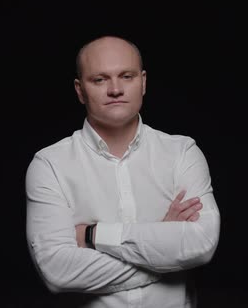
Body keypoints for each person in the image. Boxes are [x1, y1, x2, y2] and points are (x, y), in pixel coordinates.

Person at [25, 35, 221, 307]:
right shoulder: (50, 165)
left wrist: (93, 236)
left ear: (143, 82)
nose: (115, 89)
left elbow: (201, 244)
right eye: (100, 79)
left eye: (126, 76)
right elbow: (57, 271)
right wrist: (162, 247)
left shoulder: (182, 153)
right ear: (80, 90)